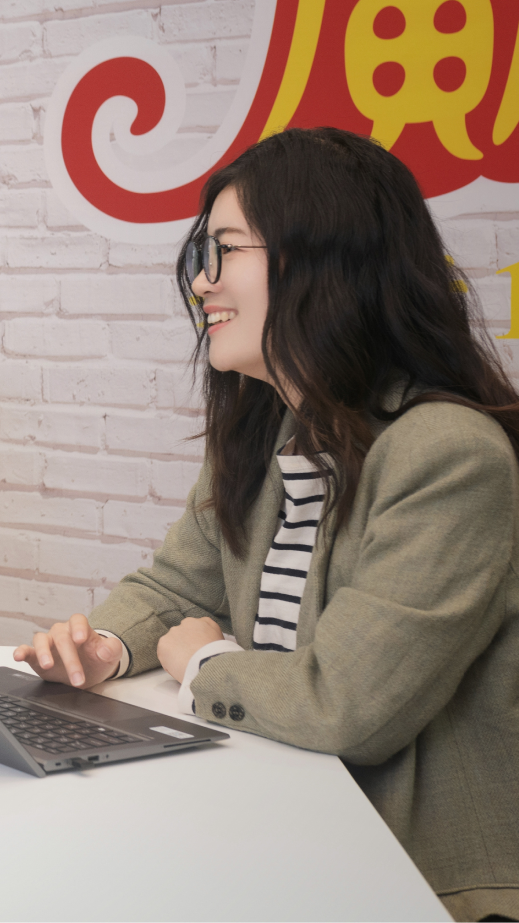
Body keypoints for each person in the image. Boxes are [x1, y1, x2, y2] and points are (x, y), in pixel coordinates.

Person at [14, 128, 519, 923]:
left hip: (406, 878)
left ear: (326, 257)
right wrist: (103, 646)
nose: (203, 284)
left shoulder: (448, 455)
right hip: (277, 822)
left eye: (226, 251)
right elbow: (173, 584)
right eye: (200, 258)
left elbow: (349, 704)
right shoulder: (271, 435)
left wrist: (205, 662)